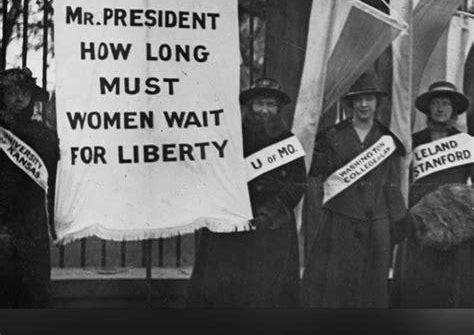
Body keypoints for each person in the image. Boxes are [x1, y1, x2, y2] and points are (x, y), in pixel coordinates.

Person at [187, 78, 307, 307]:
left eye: (270, 104)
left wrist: (270, 214)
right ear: (249, 107)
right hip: (232, 227)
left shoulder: (288, 141)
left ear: (278, 109)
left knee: (269, 291)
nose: (264, 110)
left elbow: (298, 183)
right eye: (259, 104)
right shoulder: (231, 138)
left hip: (273, 229)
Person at [301, 72, 407, 308]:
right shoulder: (332, 136)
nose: (363, 105)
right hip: (340, 220)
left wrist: (397, 221)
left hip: (375, 224)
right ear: (349, 104)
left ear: (377, 103)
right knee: (337, 287)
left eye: (369, 99)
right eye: (358, 99)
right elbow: (313, 168)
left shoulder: (386, 140)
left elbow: (392, 184)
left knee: (372, 289)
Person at [392, 81, 474, 308]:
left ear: (454, 110)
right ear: (428, 108)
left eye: (446, 103)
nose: (440, 108)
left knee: (452, 283)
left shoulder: (467, 143)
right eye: (436, 103)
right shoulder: (413, 142)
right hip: (419, 222)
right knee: (419, 282)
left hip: (455, 224)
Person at [0, 67, 59, 308]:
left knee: (36, 295)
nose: (19, 98)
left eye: (25, 91)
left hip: (32, 229)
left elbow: (54, 177)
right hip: (1, 226)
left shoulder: (44, 135)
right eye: (12, 91)